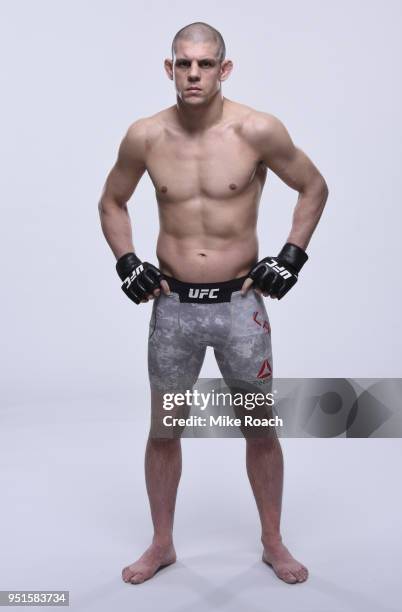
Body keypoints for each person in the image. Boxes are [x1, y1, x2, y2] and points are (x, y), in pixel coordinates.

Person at [98, 21, 328, 586]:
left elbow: (314, 186)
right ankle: (161, 544)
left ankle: (273, 542)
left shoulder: (257, 130)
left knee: (260, 427)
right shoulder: (146, 136)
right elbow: (111, 201)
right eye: (183, 64)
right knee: (164, 430)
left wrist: (291, 256)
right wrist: (126, 260)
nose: (193, 74)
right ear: (169, 68)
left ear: (223, 69)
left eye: (204, 64)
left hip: (239, 306)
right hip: (172, 306)